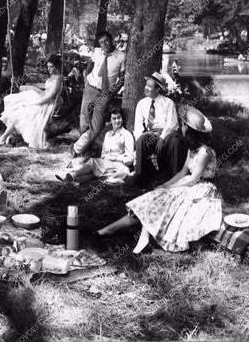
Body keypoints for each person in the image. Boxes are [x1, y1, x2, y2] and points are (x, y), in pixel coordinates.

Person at [93, 106, 222, 253]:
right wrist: (165, 185)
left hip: (202, 189)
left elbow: (193, 179)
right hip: (188, 184)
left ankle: (141, 236)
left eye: (183, 124)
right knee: (155, 195)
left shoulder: (205, 151)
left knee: (164, 199)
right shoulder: (191, 148)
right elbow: (182, 172)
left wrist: (169, 189)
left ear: (189, 128)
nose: (181, 127)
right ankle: (111, 229)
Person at [71, 31, 126, 157]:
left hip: (105, 94)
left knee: (97, 127)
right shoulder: (96, 52)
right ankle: (83, 151)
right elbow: (90, 64)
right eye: (101, 42)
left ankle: (75, 148)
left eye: (106, 41)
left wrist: (112, 94)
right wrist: (86, 77)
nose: (104, 44)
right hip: (90, 89)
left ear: (111, 40)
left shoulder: (121, 56)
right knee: (84, 121)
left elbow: (121, 79)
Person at [0, 54, 62, 149]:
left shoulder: (57, 80)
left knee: (22, 112)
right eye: (48, 67)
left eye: (51, 67)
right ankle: (10, 135)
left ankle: (3, 137)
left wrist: (34, 102)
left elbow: (48, 97)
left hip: (47, 105)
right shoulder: (52, 76)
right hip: (42, 99)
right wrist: (29, 88)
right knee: (12, 100)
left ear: (57, 67)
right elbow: (45, 91)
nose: (49, 69)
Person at [132, 72, 187, 188]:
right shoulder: (141, 104)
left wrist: (162, 137)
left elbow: (172, 124)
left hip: (166, 134)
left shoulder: (168, 103)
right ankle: (140, 179)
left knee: (176, 141)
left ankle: (175, 178)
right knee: (142, 139)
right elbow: (138, 127)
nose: (146, 88)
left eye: (149, 86)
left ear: (157, 89)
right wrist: (139, 139)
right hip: (151, 134)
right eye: (146, 85)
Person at [56, 108, 134, 183]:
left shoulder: (127, 135)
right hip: (106, 164)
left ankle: (74, 173)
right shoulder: (108, 135)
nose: (117, 121)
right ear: (110, 120)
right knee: (90, 174)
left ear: (122, 119)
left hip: (118, 166)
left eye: (119, 118)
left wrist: (114, 158)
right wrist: (106, 158)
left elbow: (130, 159)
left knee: (92, 161)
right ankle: (68, 179)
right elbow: (103, 155)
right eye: (114, 118)